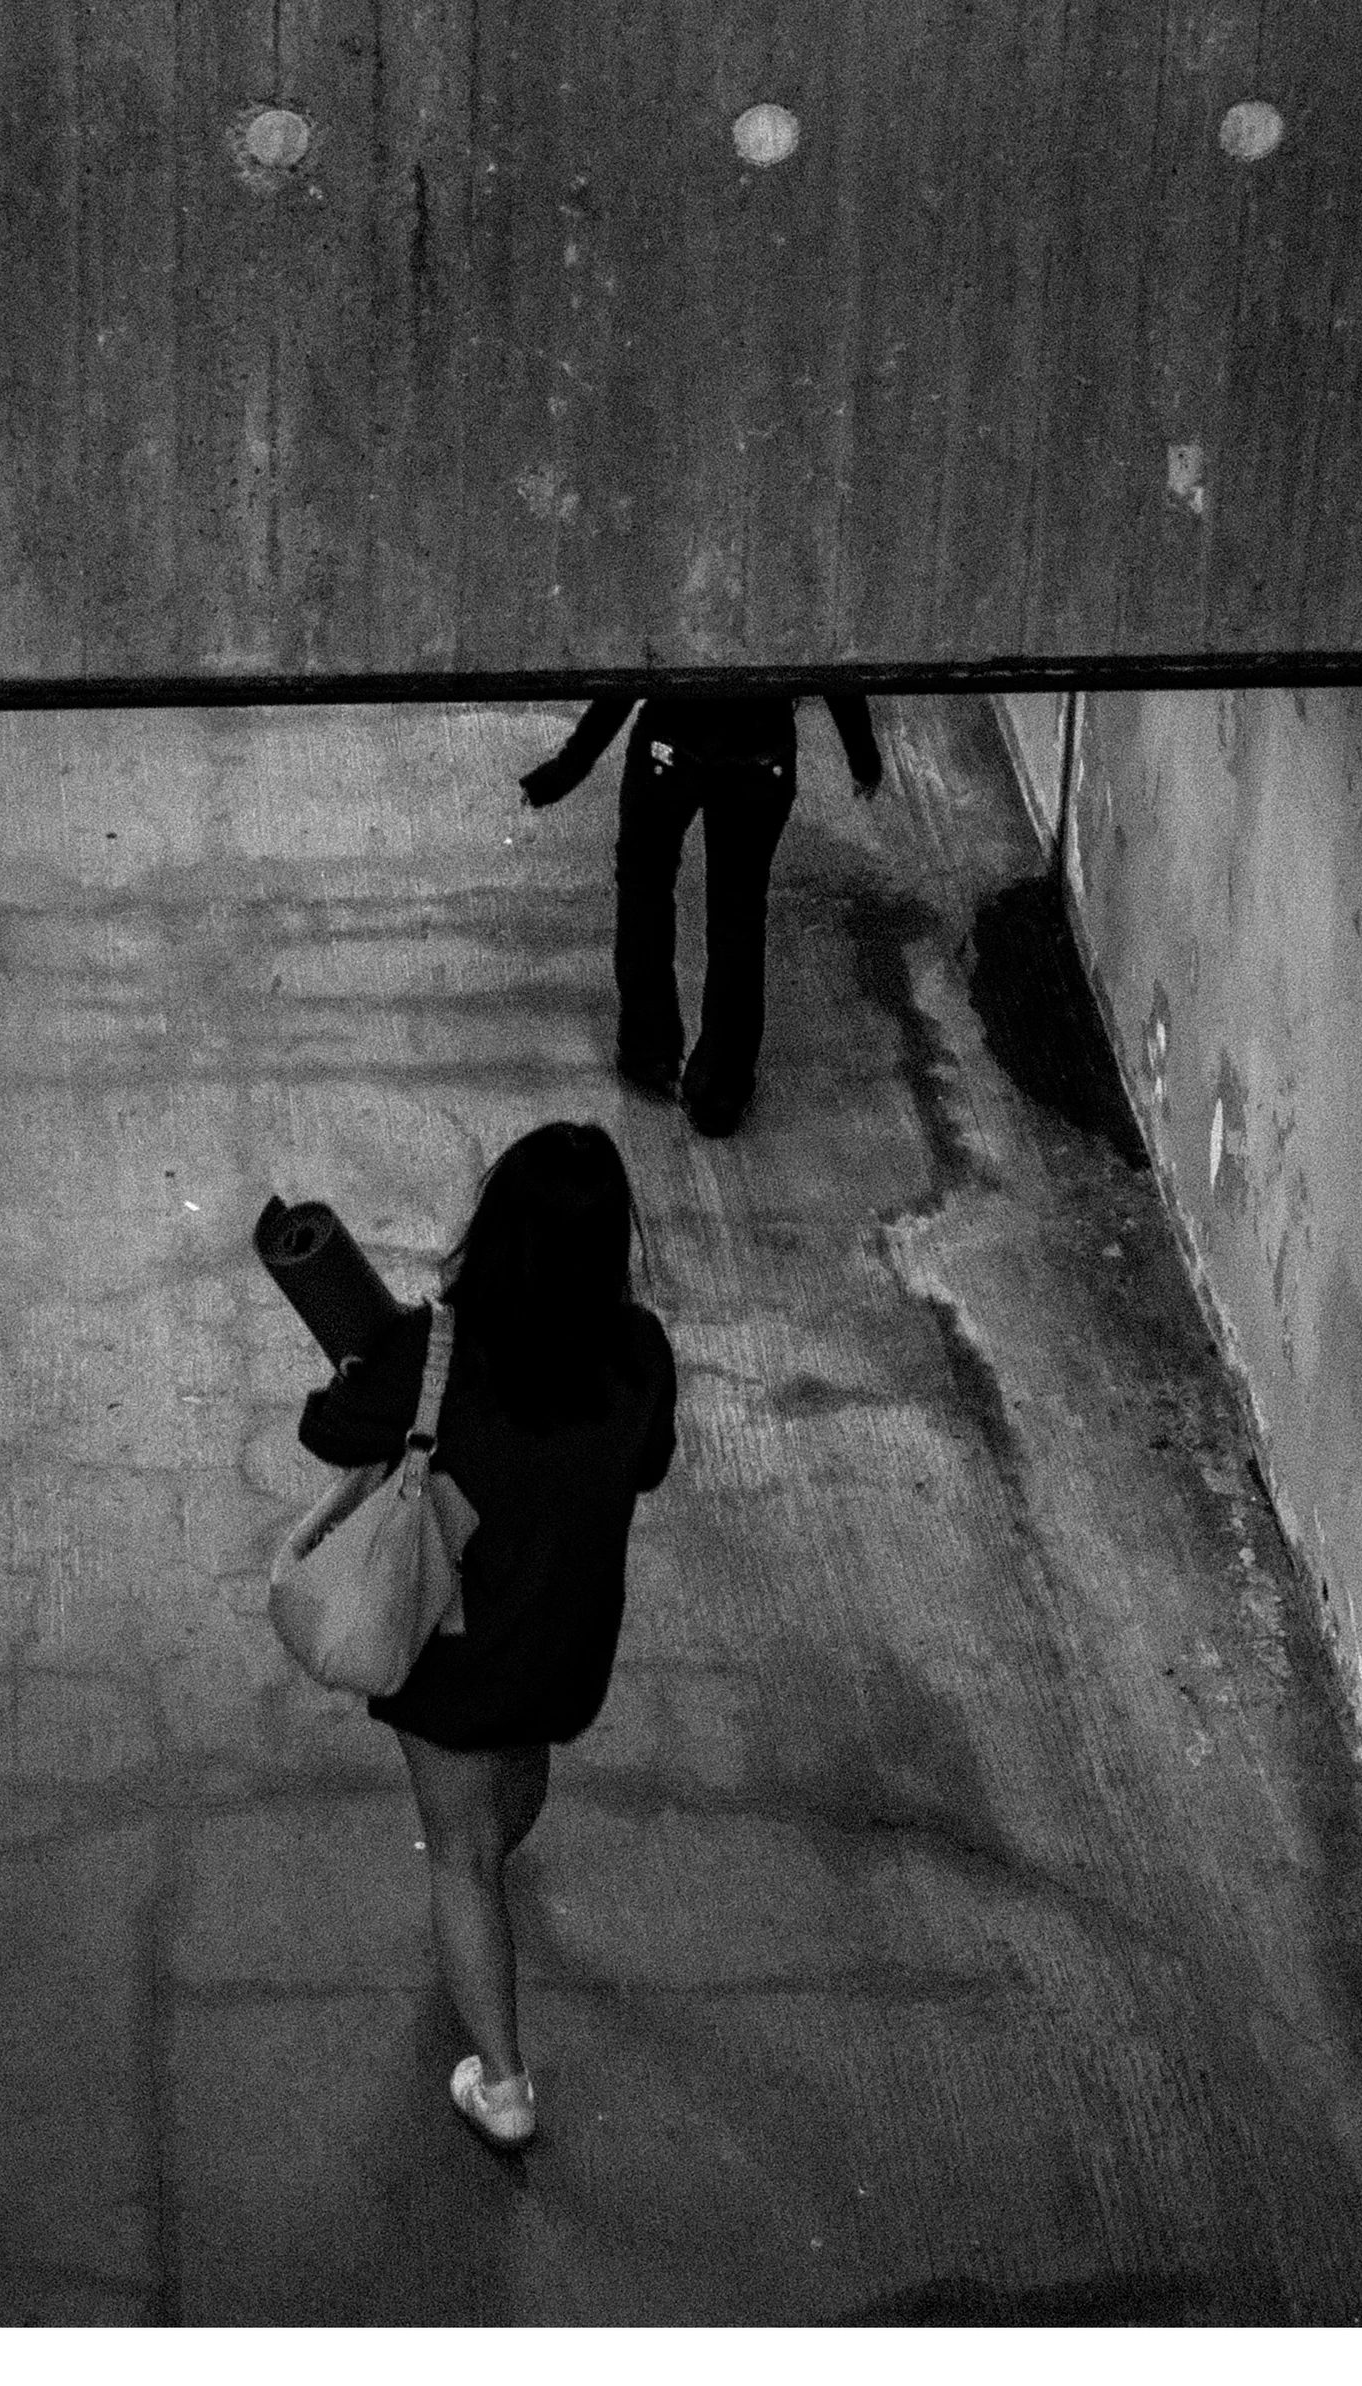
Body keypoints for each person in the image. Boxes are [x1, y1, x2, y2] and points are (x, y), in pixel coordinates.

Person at [294, 1121, 678, 2151]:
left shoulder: (435, 1351)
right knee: (518, 1773)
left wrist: (360, 1361)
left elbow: (328, 1432)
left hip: (453, 1650)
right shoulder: (638, 1352)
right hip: (565, 1641)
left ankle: (502, 2082)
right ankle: (489, 1896)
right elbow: (644, 1466)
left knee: (458, 1857)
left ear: (493, 1225)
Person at [518, 687, 886, 1137]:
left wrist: (569, 767)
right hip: (759, 759)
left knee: (645, 883)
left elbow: (632, 662)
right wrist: (862, 756)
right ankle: (721, 1089)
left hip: (671, 747)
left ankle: (649, 1051)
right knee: (739, 917)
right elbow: (835, 662)